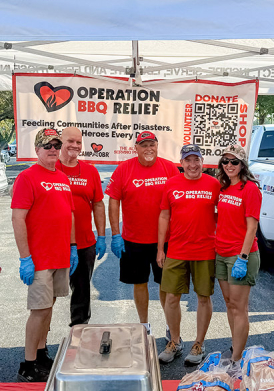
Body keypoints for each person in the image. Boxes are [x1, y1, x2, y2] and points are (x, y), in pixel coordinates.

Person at [11, 128, 78, 382]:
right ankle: (27, 365)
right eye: (47, 145)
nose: (52, 149)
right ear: (37, 149)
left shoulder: (62, 177)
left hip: (60, 255)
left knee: (49, 306)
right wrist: (25, 257)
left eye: (56, 145)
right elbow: (18, 218)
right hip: (39, 258)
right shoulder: (27, 177)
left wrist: (73, 246)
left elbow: (69, 214)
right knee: (39, 310)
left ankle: (40, 353)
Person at [156, 144, 220, 366]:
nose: (193, 165)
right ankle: (174, 342)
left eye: (196, 160)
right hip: (177, 249)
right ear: (181, 163)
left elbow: (224, 214)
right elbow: (164, 215)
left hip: (205, 250)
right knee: (171, 298)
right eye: (188, 160)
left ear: (202, 161)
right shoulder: (171, 184)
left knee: (203, 297)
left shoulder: (214, 184)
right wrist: (160, 248)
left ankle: (199, 344)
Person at [105, 131, 178, 325]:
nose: (148, 149)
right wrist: (115, 234)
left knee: (166, 285)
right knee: (139, 283)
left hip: (165, 240)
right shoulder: (124, 169)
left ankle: (171, 328)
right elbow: (114, 201)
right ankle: (144, 325)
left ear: (157, 146)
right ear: (136, 148)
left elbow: (179, 201)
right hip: (134, 240)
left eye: (151, 144)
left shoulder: (170, 168)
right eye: (144, 145)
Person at [215, 145, 262, 363]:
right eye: (225, 161)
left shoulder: (250, 189)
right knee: (229, 304)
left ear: (242, 165)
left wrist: (242, 258)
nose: (229, 165)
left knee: (239, 307)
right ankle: (235, 347)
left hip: (240, 254)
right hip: (221, 253)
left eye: (234, 161)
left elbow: (252, 227)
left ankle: (235, 360)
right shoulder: (223, 188)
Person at [56, 127, 107, 326]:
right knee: (48, 296)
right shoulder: (50, 167)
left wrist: (101, 236)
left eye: (78, 142)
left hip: (84, 243)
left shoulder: (90, 171)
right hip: (54, 244)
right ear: (60, 142)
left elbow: (98, 204)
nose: (75, 145)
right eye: (70, 141)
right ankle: (41, 340)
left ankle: (79, 332)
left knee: (82, 293)